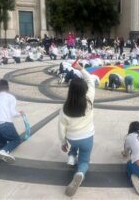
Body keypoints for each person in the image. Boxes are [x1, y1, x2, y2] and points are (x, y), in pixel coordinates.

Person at [58, 62, 95, 197]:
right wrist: (81, 69)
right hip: (87, 137)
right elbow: (90, 80)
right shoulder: (89, 99)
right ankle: (80, 173)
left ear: (70, 90)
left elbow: (61, 128)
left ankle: (71, 157)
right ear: (84, 89)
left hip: (72, 139)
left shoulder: (65, 107)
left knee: (72, 144)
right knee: (84, 160)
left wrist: (63, 142)